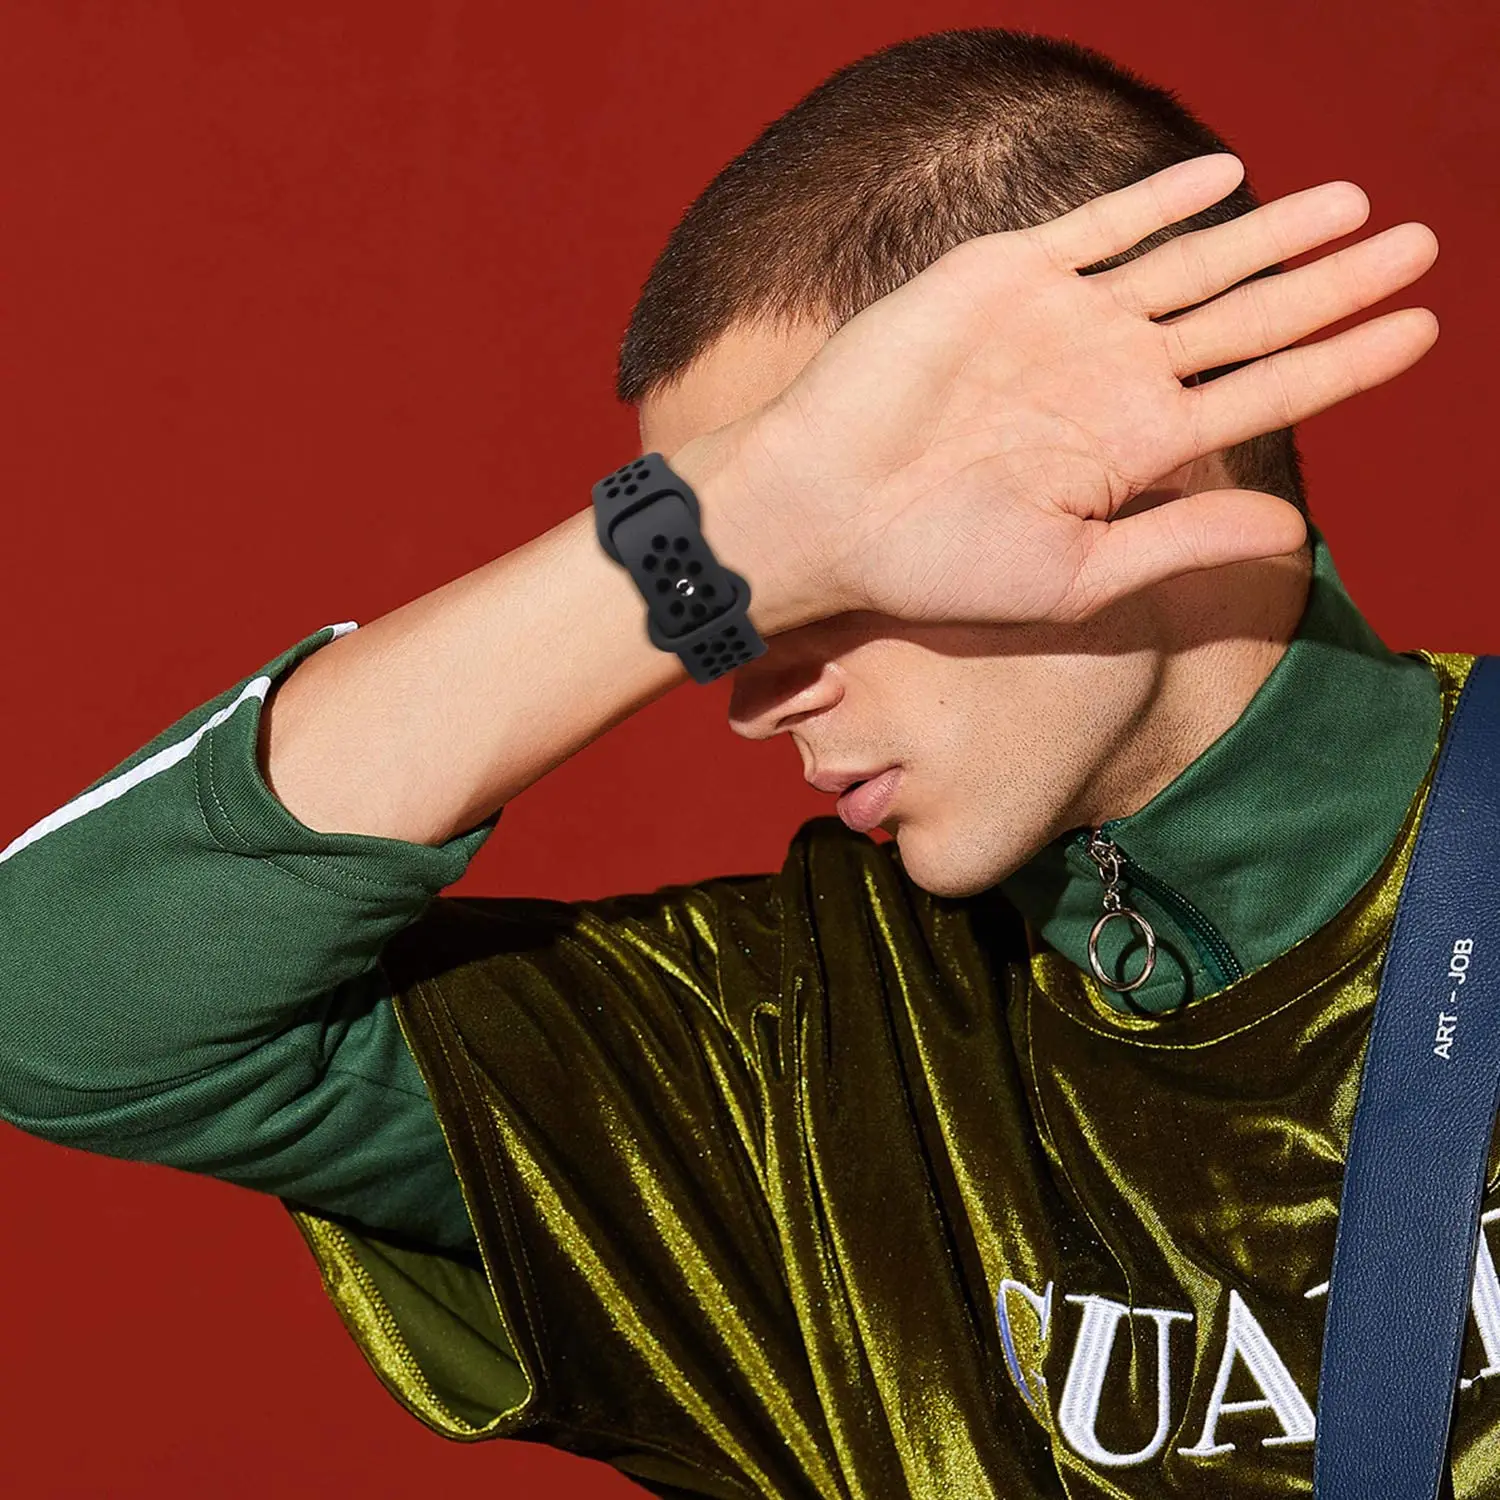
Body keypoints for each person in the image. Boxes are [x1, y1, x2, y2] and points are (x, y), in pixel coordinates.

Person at [0, 25, 1478, 1500]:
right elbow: (61, 1007)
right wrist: (722, 525)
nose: (752, 694)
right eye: (726, 586)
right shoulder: (779, 1072)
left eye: (846, 554)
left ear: (1137, 452)